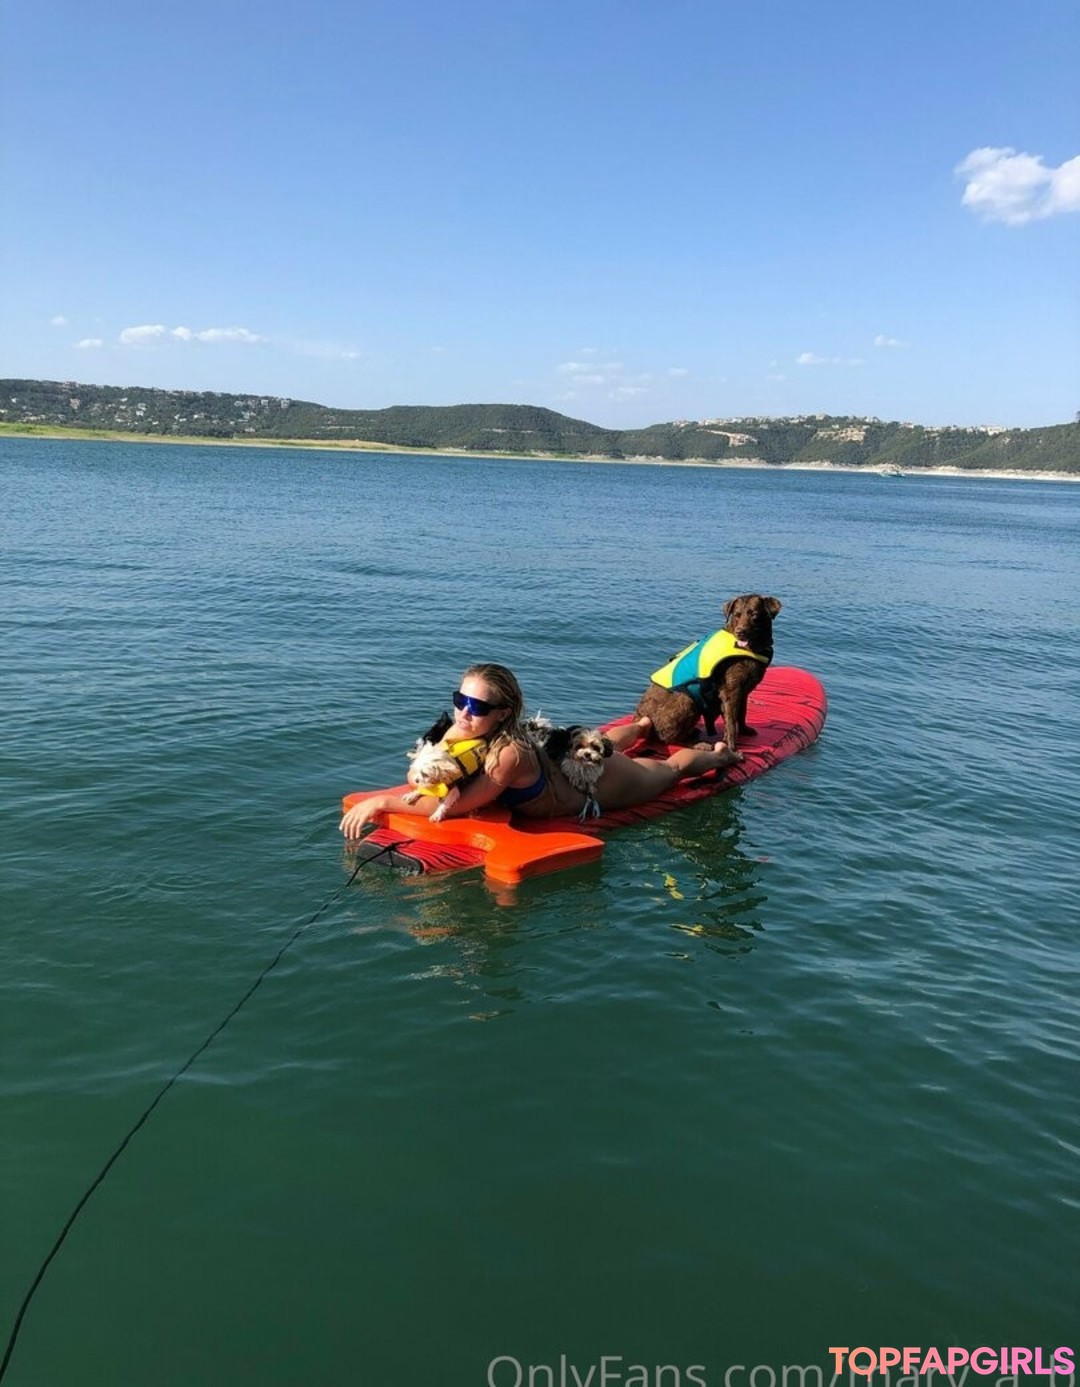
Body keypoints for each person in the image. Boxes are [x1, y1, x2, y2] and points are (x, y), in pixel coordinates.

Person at [339, 663, 740, 839]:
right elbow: (421, 774)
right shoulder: (462, 728)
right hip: (559, 759)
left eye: (476, 706)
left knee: (666, 772)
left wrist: (382, 803)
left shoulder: (507, 754)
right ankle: (642, 726)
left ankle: (722, 755)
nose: (464, 712)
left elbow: (460, 805)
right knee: (605, 739)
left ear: (503, 713)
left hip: (587, 788)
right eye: (460, 699)